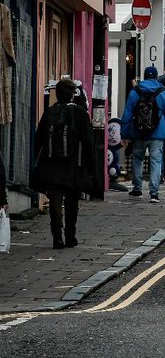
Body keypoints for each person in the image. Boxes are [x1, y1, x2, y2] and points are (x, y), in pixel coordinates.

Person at [31, 77, 96, 248]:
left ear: (57, 94)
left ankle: (56, 236)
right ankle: (70, 236)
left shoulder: (50, 112)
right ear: (73, 95)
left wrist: (38, 162)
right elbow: (88, 142)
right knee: (71, 201)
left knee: (55, 199)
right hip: (73, 164)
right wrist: (91, 168)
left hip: (52, 164)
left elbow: (39, 140)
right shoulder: (80, 113)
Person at [120, 65, 165, 203]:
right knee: (156, 161)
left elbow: (127, 113)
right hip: (158, 133)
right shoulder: (163, 93)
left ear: (144, 76)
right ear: (157, 77)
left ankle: (137, 188)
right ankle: (154, 193)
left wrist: (124, 134)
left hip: (139, 132)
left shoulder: (135, 91)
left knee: (137, 159)